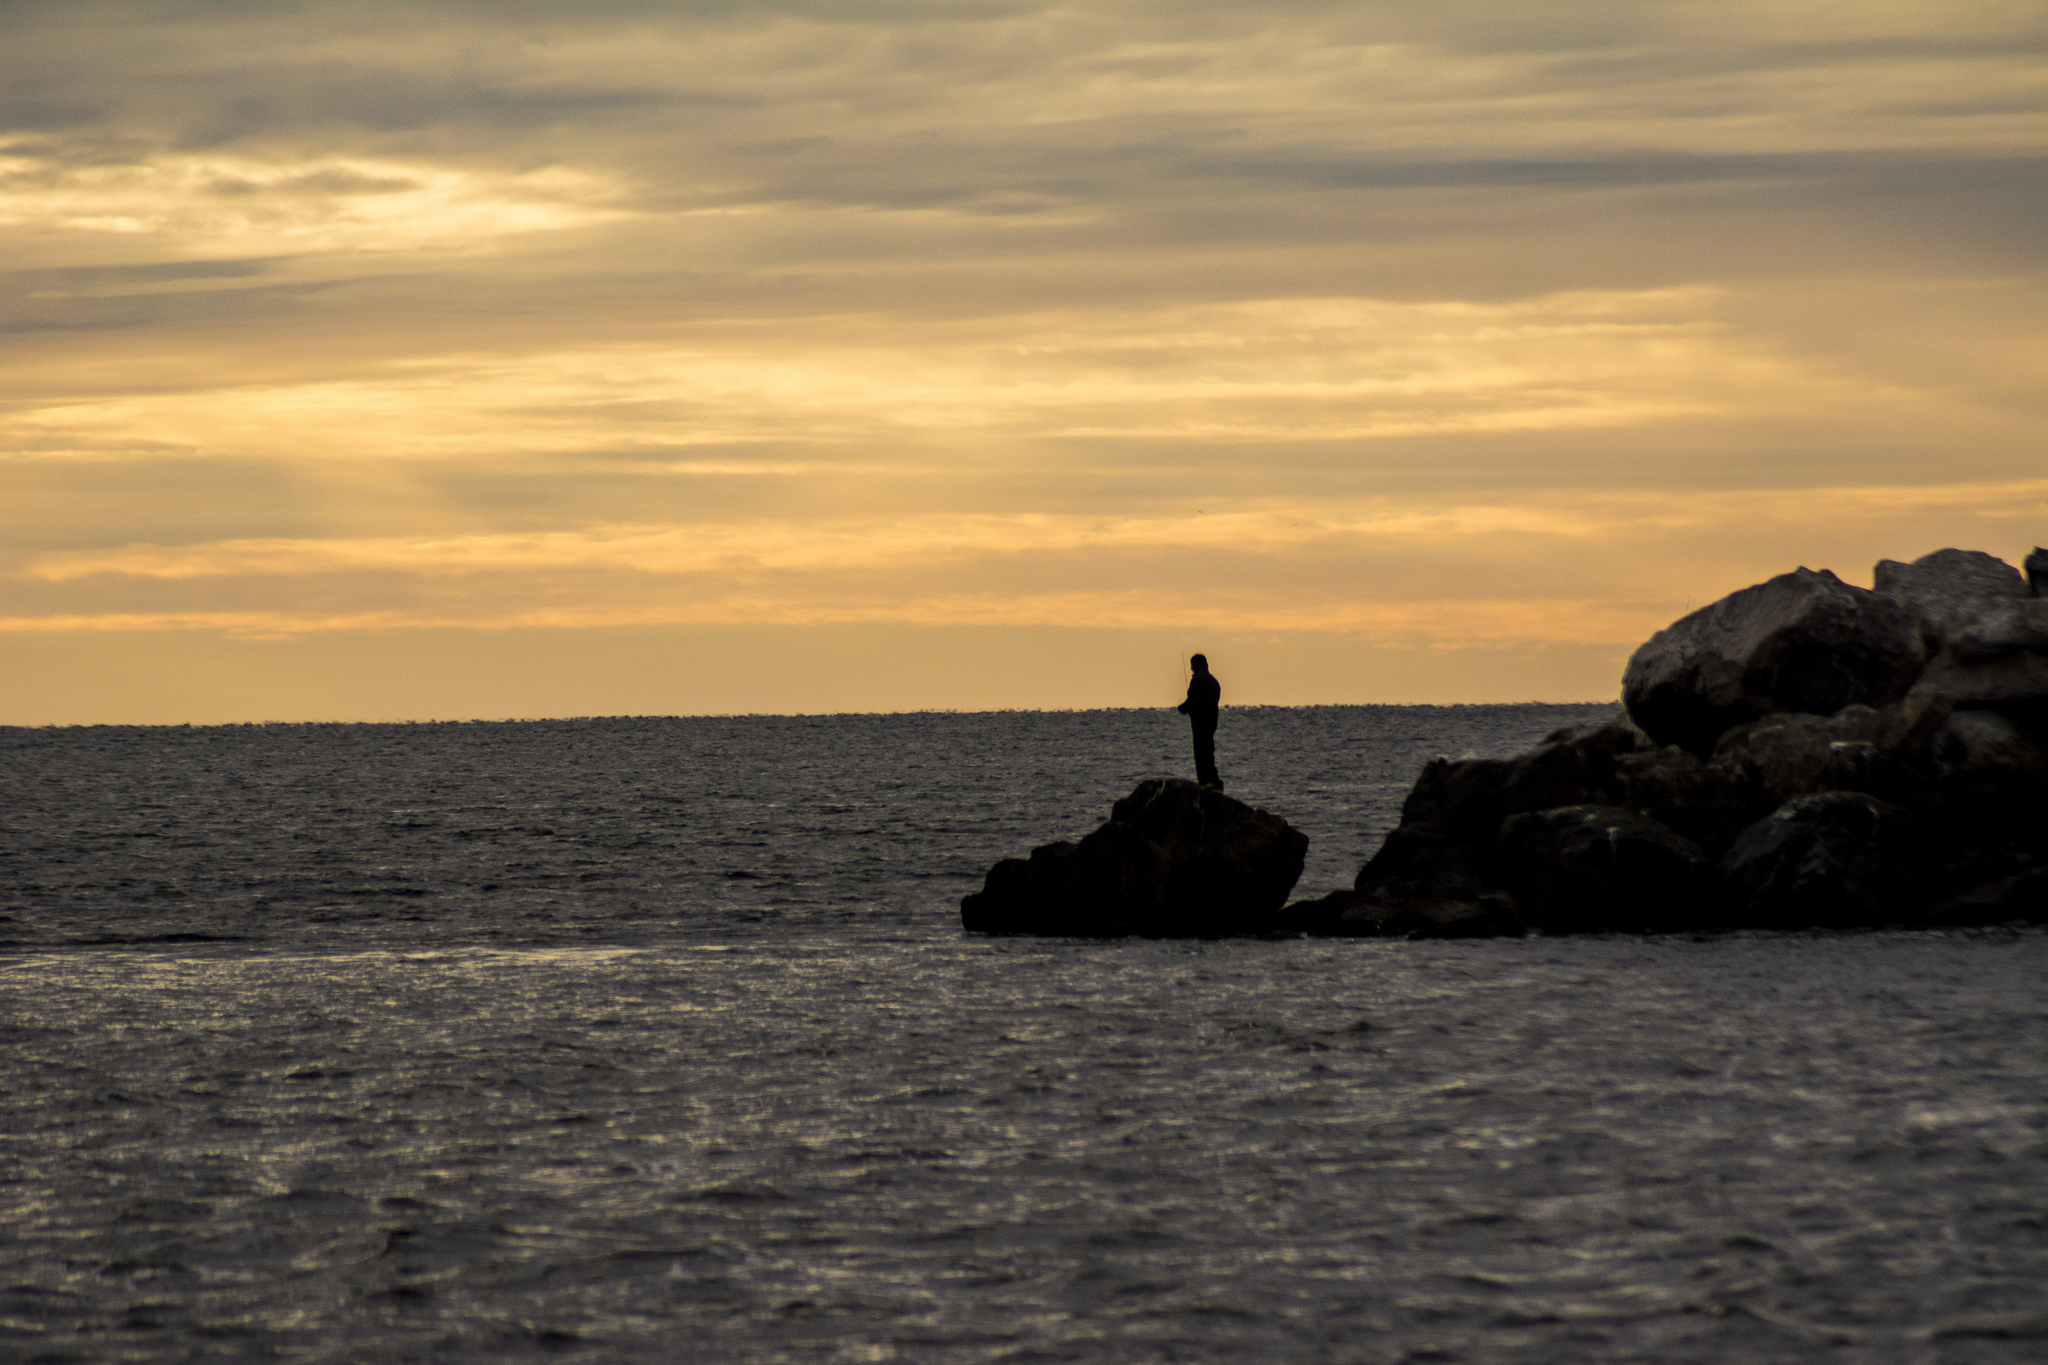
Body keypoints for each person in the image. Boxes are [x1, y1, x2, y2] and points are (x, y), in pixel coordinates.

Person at [1176, 653, 1223, 789]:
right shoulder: (1213, 681)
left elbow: (1192, 701)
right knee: (1208, 752)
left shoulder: (1197, 680)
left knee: (1201, 755)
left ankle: (1206, 783)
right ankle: (1213, 781)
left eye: (1192, 668)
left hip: (1200, 725)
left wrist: (1182, 708)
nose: (1192, 671)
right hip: (1211, 723)